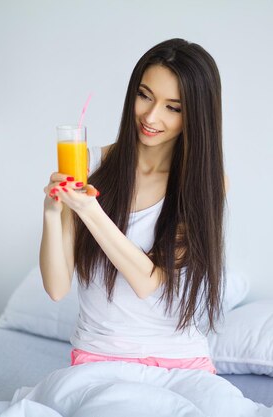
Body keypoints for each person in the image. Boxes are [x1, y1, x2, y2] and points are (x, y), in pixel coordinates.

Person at [39, 38, 225, 374]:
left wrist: (90, 211)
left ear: (196, 115)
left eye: (174, 107)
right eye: (144, 96)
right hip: (98, 356)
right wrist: (52, 212)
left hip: (179, 362)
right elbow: (56, 288)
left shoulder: (204, 182)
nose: (151, 116)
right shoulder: (88, 164)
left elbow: (149, 281)